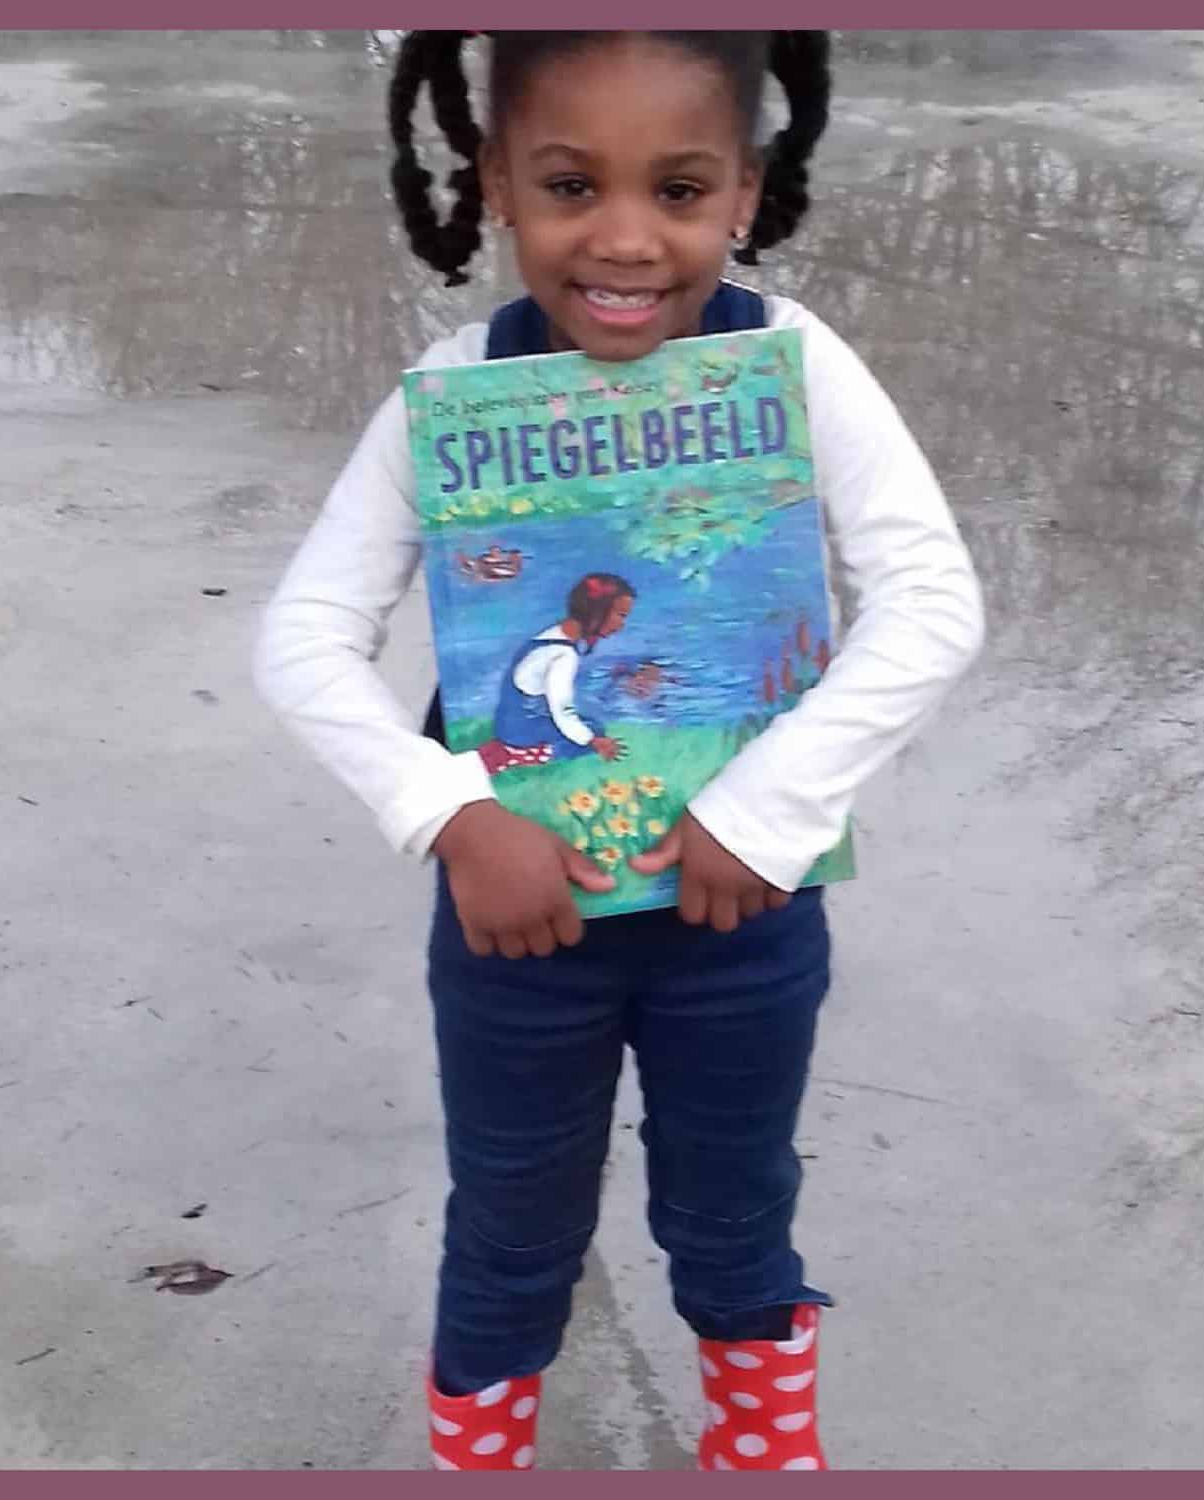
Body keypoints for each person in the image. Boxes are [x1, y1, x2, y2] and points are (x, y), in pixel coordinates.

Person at [254, 30, 985, 1472]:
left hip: (742, 922)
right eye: (573, 185)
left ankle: (761, 1452)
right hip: (521, 933)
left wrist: (765, 811)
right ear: (497, 185)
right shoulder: (453, 392)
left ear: (745, 194)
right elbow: (303, 637)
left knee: (736, 1215)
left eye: (680, 189)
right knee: (510, 1227)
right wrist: (454, 816)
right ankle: (481, 1456)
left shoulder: (793, 366)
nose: (628, 239)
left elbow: (932, 600)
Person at [475, 572, 633, 775]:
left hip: (508, 724)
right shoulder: (563, 655)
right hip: (520, 732)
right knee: (592, 732)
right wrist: (594, 741)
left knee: (588, 725)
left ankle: (517, 750)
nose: (622, 625)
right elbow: (562, 709)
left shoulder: (546, 638)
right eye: (621, 615)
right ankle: (522, 755)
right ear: (597, 611)